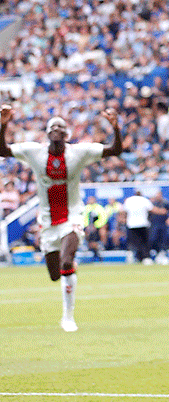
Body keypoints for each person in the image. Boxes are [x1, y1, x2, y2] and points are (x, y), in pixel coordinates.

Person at [0, 103, 123, 331]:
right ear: (47, 133)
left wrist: (116, 128)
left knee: (67, 262)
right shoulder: (34, 152)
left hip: (73, 216)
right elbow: (3, 150)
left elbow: (114, 150)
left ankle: (68, 317)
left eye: (61, 126)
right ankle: (68, 269)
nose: (56, 129)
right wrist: (4, 124)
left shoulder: (79, 152)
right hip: (47, 222)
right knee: (56, 275)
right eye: (52, 126)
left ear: (66, 134)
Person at [123, 189, 153, 263]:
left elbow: (123, 211)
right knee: (144, 242)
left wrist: (124, 219)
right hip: (143, 224)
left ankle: (138, 258)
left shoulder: (129, 200)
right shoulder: (144, 200)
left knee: (136, 243)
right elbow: (152, 209)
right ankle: (145, 258)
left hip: (132, 224)